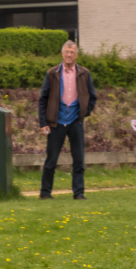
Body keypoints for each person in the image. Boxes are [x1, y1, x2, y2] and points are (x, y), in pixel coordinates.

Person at [37, 40, 97, 201]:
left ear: (76, 55)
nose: (69, 55)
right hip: (56, 123)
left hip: (75, 122)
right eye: (67, 52)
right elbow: (43, 99)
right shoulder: (52, 73)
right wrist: (43, 122)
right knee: (51, 159)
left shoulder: (84, 73)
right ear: (62, 54)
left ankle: (79, 193)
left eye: (72, 52)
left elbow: (93, 96)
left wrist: (84, 112)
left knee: (79, 159)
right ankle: (45, 192)